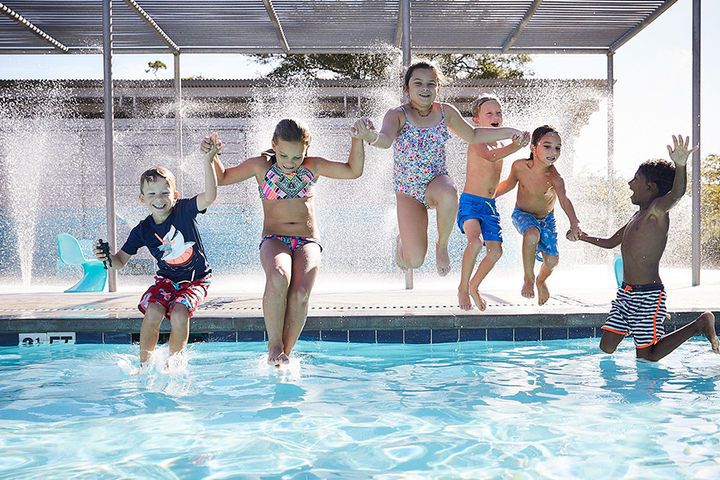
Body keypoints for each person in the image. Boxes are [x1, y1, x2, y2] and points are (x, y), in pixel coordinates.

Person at [202, 118, 365, 366]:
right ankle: (274, 344)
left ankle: (283, 354)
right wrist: (213, 156)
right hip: (274, 239)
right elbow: (223, 178)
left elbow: (353, 171)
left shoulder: (313, 166)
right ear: (274, 145)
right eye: (284, 155)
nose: (290, 163)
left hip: (307, 240)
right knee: (279, 275)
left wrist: (357, 140)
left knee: (300, 293)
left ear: (306, 150)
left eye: (297, 157)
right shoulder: (261, 167)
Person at [354, 61, 524, 276]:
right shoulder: (397, 114)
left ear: (438, 88)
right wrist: (370, 136)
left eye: (431, 84)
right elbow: (385, 139)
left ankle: (441, 246)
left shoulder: (446, 112)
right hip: (408, 192)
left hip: (436, 182)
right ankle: (401, 242)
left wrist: (510, 132)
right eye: (418, 83)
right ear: (407, 89)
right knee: (414, 261)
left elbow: (473, 135)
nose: (425, 88)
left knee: (449, 192)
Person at [570, 135, 719, 361]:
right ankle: (660, 324)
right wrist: (582, 237)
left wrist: (680, 165)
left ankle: (699, 324)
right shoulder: (636, 216)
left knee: (647, 356)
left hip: (648, 295)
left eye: (635, 179)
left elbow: (677, 194)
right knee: (607, 347)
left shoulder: (656, 213)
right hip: (626, 294)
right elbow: (611, 242)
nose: (630, 183)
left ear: (650, 187)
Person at [94, 135, 221, 369]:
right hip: (166, 280)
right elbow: (120, 261)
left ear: (175, 195)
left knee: (181, 313)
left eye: (165, 193)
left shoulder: (184, 210)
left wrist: (208, 161)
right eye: (151, 194)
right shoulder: (142, 230)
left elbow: (210, 196)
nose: (159, 199)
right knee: (153, 310)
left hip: (195, 281)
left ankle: (174, 366)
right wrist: (107, 260)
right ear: (142, 198)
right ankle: (144, 366)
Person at [456, 94, 530, 310]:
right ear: (476, 120)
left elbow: (497, 183)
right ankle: (462, 288)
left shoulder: (500, 142)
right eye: (489, 113)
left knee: (496, 251)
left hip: (489, 206)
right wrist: (516, 146)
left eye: (498, 112)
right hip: (470, 203)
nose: (495, 116)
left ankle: (474, 286)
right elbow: (491, 157)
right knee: (475, 242)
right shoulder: (477, 140)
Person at [495, 125, 581, 305]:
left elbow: (564, 200)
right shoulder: (519, 166)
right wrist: (487, 194)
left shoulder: (554, 178)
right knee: (532, 233)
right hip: (522, 214)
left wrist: (574, 224)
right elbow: (509, 185)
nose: (554, 151)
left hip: (547, 220)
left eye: (558, 148)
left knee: (551, 261)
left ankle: (541, 280)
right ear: (533, 147)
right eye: (547, 146)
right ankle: (529, 278)